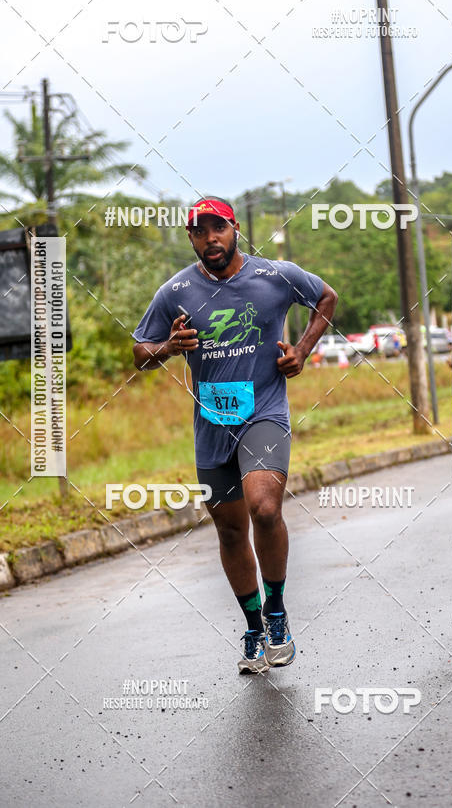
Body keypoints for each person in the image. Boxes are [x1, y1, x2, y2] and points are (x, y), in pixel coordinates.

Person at [132, 197, 338, 674]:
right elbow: (141, 353)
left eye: (217, 228)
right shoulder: (175, 291)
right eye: (200, 232)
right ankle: (253, 629)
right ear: (191, 238)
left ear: (235, 229)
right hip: (212, 427)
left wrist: (302, 350)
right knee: (229, 530)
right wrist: (169, 346)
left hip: (263, 412)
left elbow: (326, 298)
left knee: (264, 508)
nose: (211, 239)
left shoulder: (275, 275)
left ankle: (277, 609)